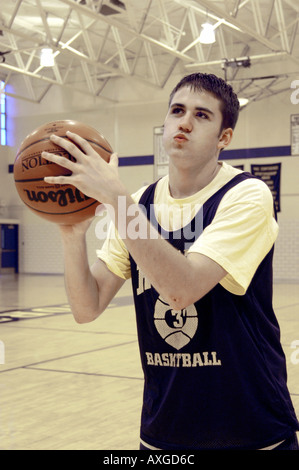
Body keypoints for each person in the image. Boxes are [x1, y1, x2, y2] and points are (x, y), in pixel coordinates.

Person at [42, 73, 299, 450]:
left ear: (224, 138)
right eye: (177, 111)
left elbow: (182, 290)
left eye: (202, 115)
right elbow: (86, 307)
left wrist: (115, 199)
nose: (185, 122)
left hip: (249, 423)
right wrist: (71, 232)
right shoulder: (139, 203)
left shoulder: (246, 195)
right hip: (165, 426)